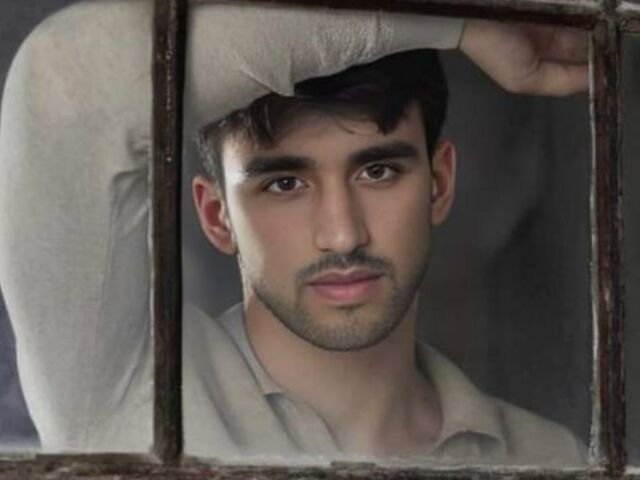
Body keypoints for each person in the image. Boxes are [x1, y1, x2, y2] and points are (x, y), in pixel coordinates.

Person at [0, 0, 587, 461]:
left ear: (439, 183)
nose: (343, 235)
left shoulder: (547, 455)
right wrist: (458, 22)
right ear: (216, 215)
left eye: (377, 172)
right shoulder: (131, 394)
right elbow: (65, 81)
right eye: (284, 183)